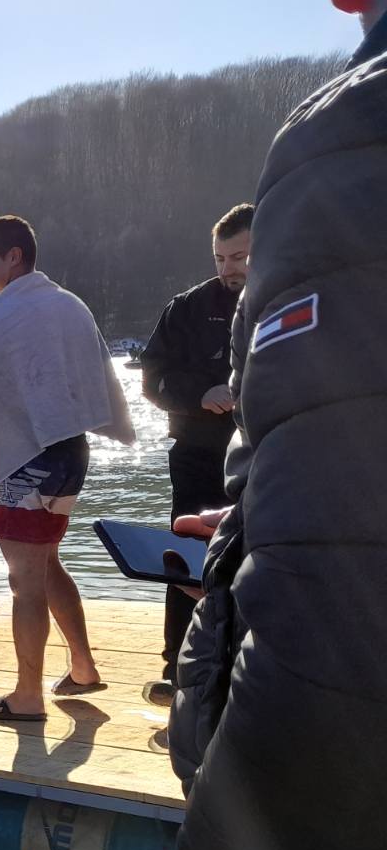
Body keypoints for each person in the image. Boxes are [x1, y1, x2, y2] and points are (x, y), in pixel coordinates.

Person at [149, 0, 387, 850]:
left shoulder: (351, 127)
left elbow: (353, 561)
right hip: (251, 495)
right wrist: (255, 514)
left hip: (341, 849)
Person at [0, 216, 135, 722]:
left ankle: (27, 695)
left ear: (14, 256)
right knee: (47, 564)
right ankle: (84, 667)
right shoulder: (71, 305)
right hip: (71, 452)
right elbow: (96, 378)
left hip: (27, 463)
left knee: (24, 581)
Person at [138, 201, 252, 705]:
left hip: (264, 459)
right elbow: (150, 381)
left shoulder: (292, 297)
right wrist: (199, 396)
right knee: (187, 560)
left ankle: (249, 672)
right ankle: (177, 670)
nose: (228, 269)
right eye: (220, 259)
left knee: (260, 562)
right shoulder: (185, 308)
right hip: (198, 456)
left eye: (240, 258)